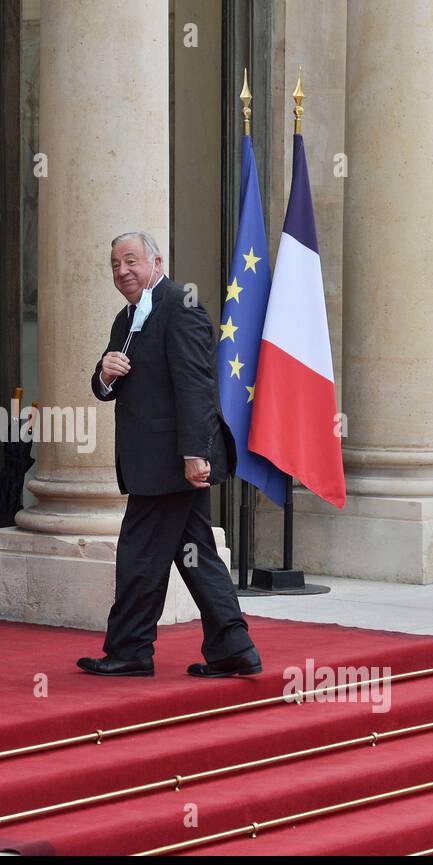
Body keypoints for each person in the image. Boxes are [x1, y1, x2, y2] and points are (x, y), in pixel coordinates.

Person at [77, 231, 261, 678]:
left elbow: (195, 387)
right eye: (115, 264)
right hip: (154, 462)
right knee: (196, 552)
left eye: (131, 261)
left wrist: (196, 454)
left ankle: (131, 650)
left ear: (156, 263)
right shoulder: (126, 318)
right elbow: (110, 389)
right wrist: (104, 374)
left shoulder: (181, 307)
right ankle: (233, 646)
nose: (123, 271)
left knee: (139, 554)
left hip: (172, 463)